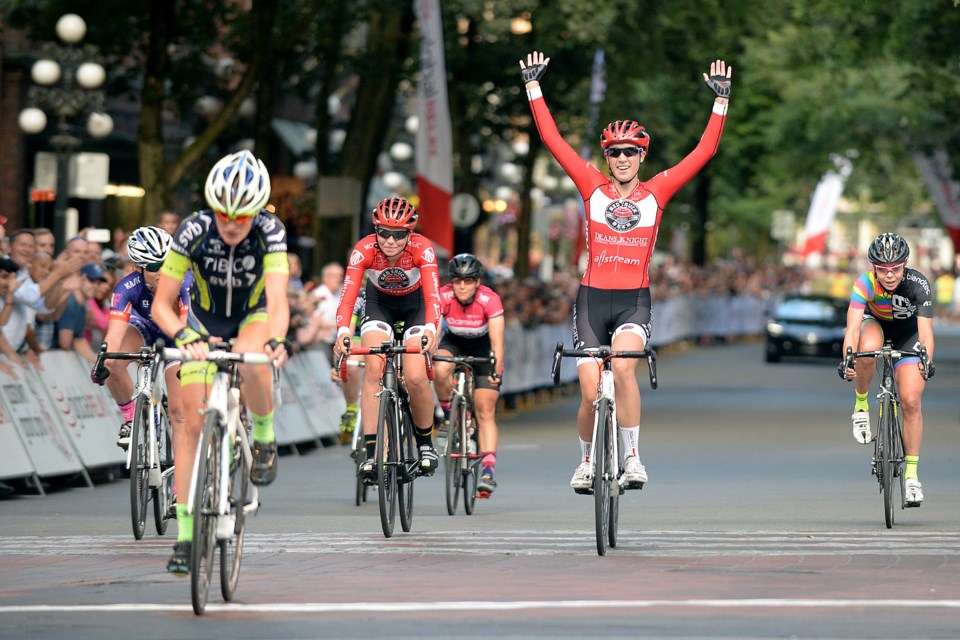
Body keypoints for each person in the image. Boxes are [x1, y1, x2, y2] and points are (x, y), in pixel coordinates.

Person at [519, 51, 731, 492]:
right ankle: (584, 462)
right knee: (589, 388)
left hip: (634, 300)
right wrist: (534, 89)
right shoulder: (590, 185)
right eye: (614, 152)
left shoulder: (658, 192)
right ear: (606, 156)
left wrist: (721, 102)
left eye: (630, 152)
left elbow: (705, 151)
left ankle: (633, 456)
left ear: (641, 155)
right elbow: (554, 141)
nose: (621, 159)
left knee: (626, 369)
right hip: (591, 300)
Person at [152, 150, 290, 574]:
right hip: (200, 322)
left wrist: (278, 340)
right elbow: (162, 303)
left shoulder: (270, 231)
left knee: (252, 360)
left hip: (253, 316)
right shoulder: (193, 230)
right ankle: (186, 538)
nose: (231, 225)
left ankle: (264, 437)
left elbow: (279, 300)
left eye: (241, 217)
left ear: (256, 212)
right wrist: (183, 334)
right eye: (224, 215)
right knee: (191, 425)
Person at [332, 196, 441, 480]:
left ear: (410, 233)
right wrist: (343, 332)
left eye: (399, 234)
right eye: (384, 233)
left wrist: (430, 329)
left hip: (416, 306)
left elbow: (432, 297)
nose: (390, 241)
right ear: (375, 230)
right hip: (379, 304)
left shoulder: (422, 248)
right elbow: (347, 299)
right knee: (373, 368)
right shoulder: (364, 249)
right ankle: (372, 454)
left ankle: (426, 444)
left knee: (416, 376)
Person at [839, 233, 934, 506]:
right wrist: (848, 358)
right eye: (883, 269)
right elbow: (852, 329)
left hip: (908, 335)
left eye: (896, 268)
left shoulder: (918, 284)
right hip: (875, 326)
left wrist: (927, 359)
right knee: (866, 350)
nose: (890, 275)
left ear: (905, 265)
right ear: (873, 267)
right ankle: (860, 407)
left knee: (911, 400)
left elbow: (926, 333)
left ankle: (912, 478)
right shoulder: (864, 284)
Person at [90, 227, 189, 450]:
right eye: (154, 267)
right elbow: (114, 335)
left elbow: (185, 329)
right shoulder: (127, 287)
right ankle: (130, 418)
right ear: (138, 268)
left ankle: (181, 482)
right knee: (112, 362)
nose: (162, 271)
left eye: (167, 263)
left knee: (179, 413)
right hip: (145, 329)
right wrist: (103, 362)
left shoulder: (185, 283)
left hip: (177, 336)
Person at [434, 254, 505, 496]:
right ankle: (447, 415)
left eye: (468, 280)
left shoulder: (490, 300)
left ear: (477, 282)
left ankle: (488, 471)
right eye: (457, 281)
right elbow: (433, 332)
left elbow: (497, 340)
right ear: (451, 282)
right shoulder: (442, 296)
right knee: (439, 368)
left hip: (482, 347)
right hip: (454, 341)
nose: (462, 286)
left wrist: (496, 368)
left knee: (485, 408)